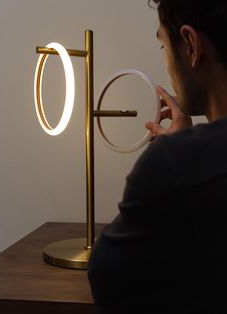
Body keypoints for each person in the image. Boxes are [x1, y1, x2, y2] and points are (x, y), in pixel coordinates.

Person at [88, 1, 227, 312]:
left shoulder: (174, 163)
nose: (165, 61)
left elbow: (105, 278)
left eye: (163, 45)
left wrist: (183, 155)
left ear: (191, 45)